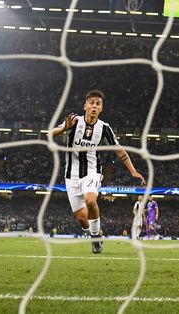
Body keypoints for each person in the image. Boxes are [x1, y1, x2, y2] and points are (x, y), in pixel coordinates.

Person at [50, 89, 146, 254]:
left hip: (92, 171)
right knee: (81, 218)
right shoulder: (74, 121)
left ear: (101, 108)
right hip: (71, 175)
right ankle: (93, 234)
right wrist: (65, 127)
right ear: (85, 105)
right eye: (91, 102)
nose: (94, 106)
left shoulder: (104, 128)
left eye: (98, 104)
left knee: (90, 200)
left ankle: (95, 239)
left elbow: (120, 151)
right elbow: (50, 135)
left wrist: (133, 171)